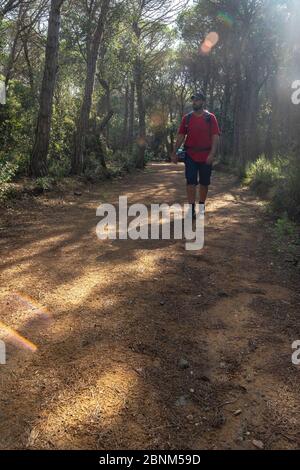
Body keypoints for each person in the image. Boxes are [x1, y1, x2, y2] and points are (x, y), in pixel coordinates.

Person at [171, 91, 220, 219]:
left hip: (206, 155)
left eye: (197, 100)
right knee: (190, 182)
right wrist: (175, 151)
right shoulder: (187, 118)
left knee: (204, 183)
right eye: (193, 100)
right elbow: (181, 135)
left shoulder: (210, 118)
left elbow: (215, 136)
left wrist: (212, 154)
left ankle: (202, 207)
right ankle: (191, 209)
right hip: (190, 155)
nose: (194, 102)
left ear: (202, 102)